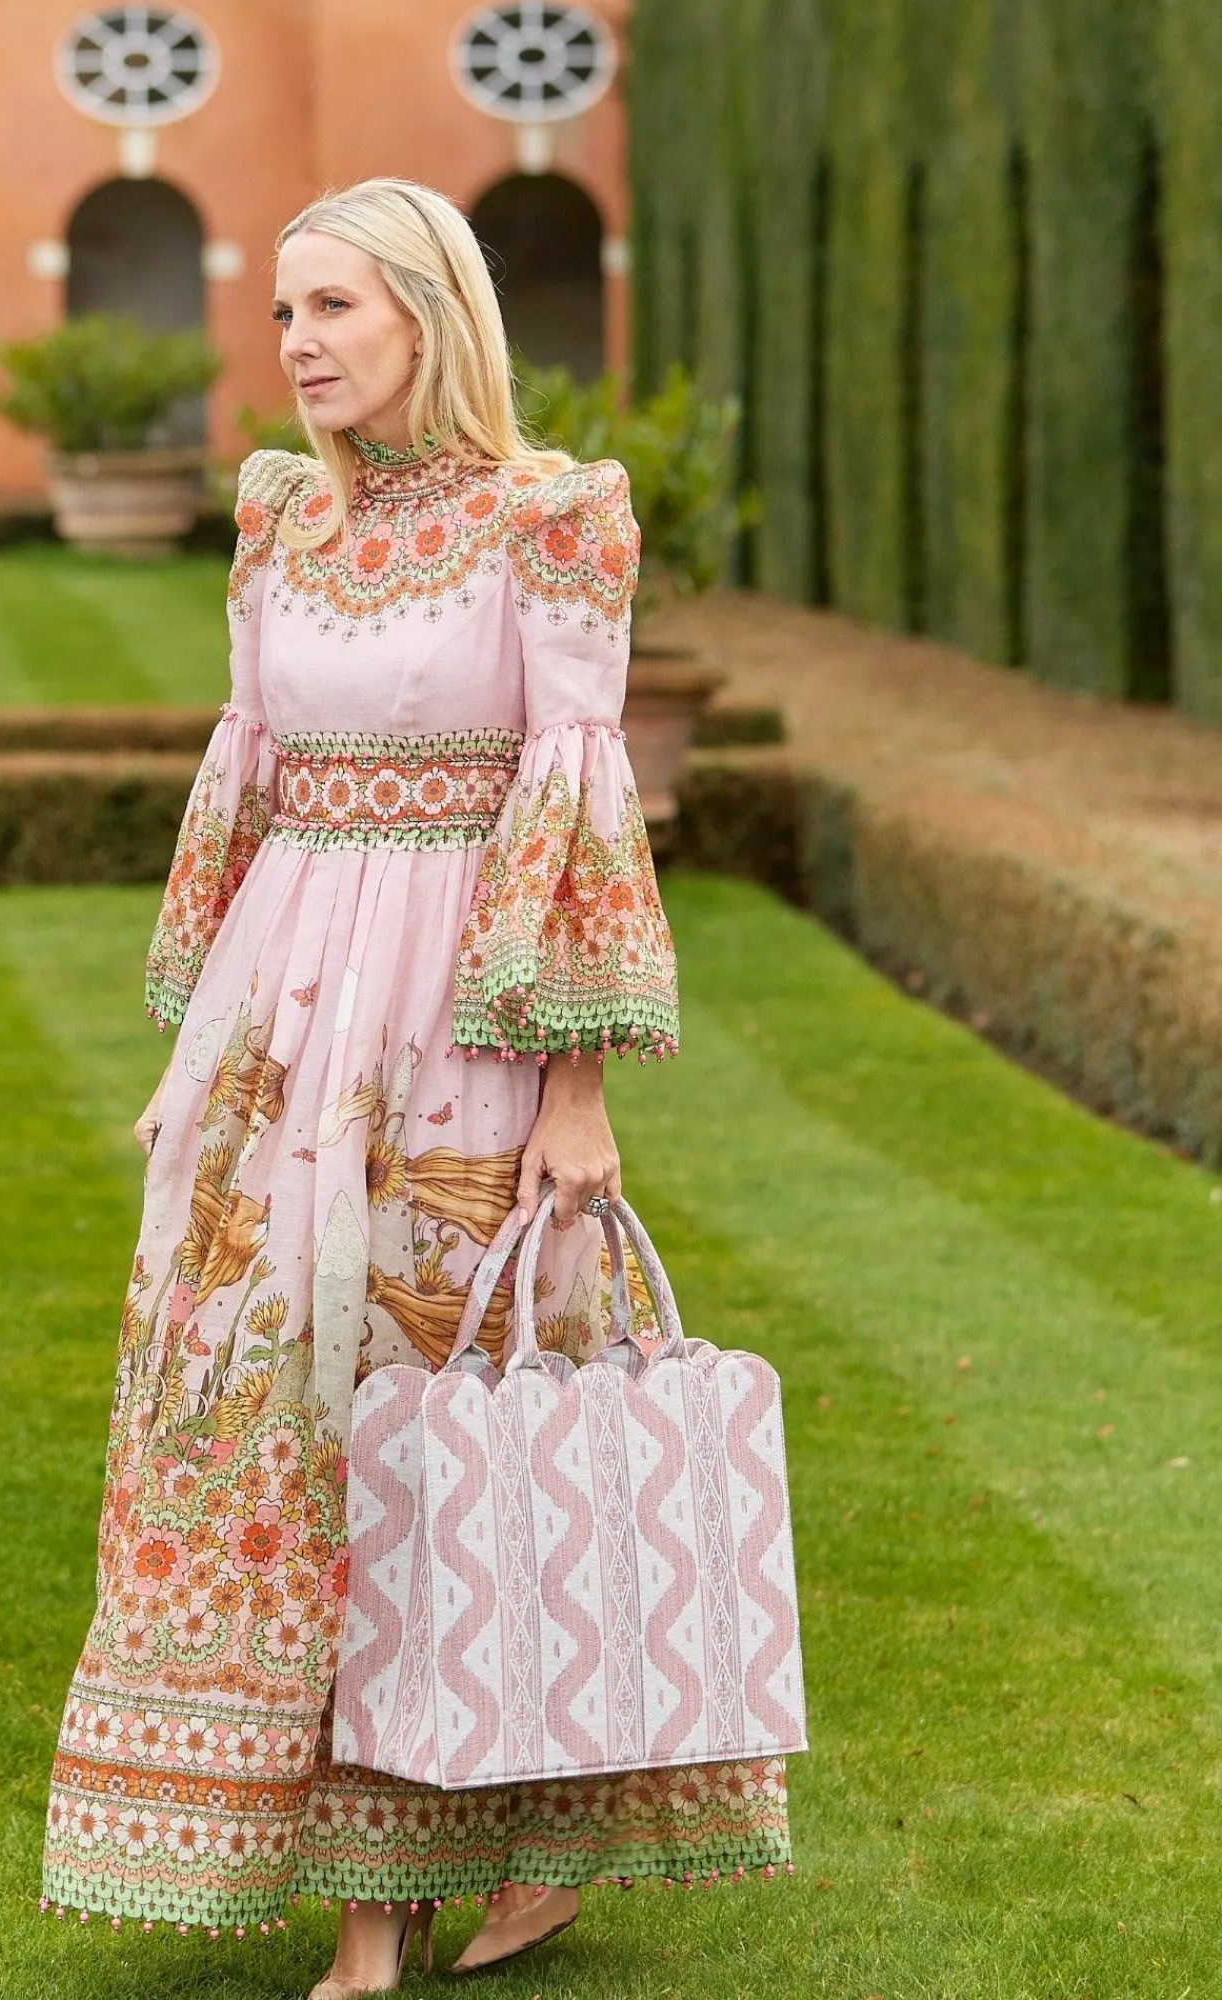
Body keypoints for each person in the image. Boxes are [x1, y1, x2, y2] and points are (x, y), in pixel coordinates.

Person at [40, 177, 790, 1995]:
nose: (295, 344)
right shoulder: (280, 518)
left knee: (441, 1418)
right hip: (281, 1027)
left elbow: (581, 801)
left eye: (334, 309)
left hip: (463, 1027)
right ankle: (377, 1883)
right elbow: (251, 783)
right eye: (283, 312)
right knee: (262, 1405)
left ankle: (455, 1878)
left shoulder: (551, 519)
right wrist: (199, 1065)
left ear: (431, 317)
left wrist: (577, 1094)